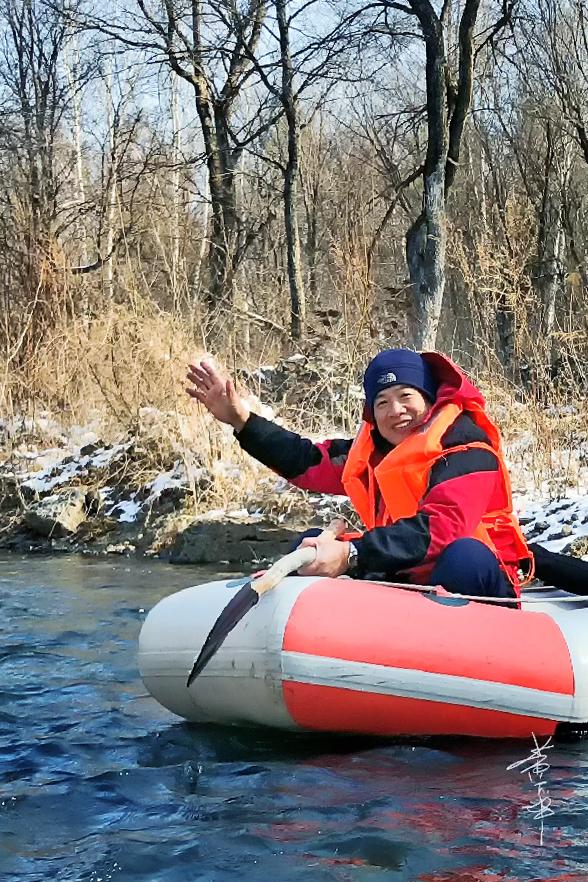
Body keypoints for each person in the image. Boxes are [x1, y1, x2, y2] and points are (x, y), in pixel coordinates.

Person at [186, 349, 534, 600]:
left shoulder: (468, 450)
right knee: (307, 545)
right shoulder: (371, 455)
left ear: (429, 401)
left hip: (478, 579)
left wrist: (352, 555)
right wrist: (240, 420)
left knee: (463, 558)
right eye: (382, 402)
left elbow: (441, 530)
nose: (395, 411)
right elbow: (305, 461)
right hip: (407, 577)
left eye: (405, 396)